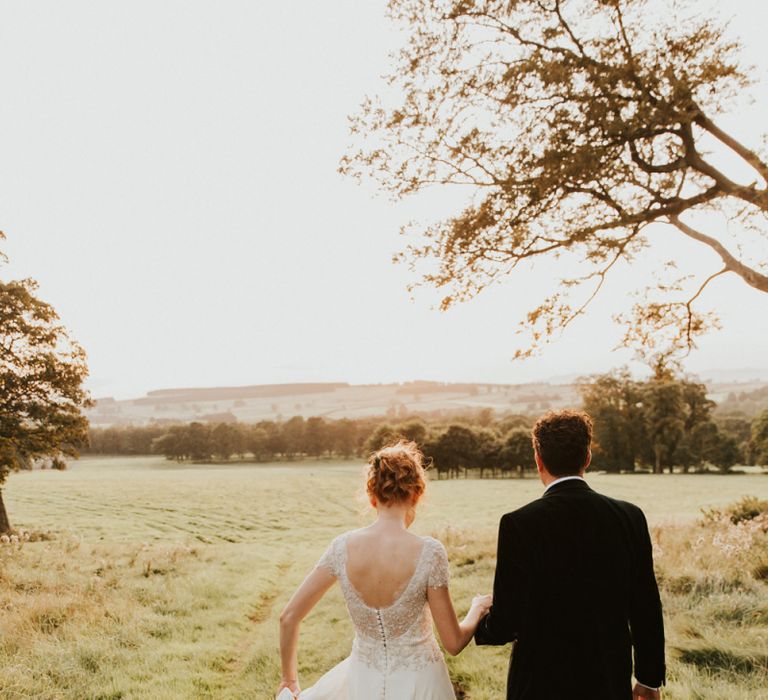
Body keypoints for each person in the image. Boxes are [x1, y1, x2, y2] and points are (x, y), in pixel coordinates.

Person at [277, 440, 492, 699]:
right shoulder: (430, 552)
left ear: (371, 496)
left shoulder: (341, 547)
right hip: (422, 684)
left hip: (361, 683)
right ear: (418, 493)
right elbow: (454, 642)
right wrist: (477, 609)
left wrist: (289, 680)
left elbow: (288, 617)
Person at [475, 409, 666, 700]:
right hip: (607, 678)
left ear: (538, 459)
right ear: (587, 457)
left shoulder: (518, 524)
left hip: (539, 684)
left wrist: (481, 621)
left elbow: (507, 621)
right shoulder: (630, 516)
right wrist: (649, 678)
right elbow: (645, 606)